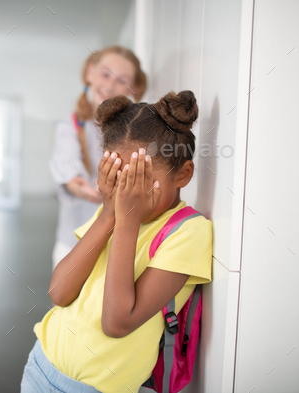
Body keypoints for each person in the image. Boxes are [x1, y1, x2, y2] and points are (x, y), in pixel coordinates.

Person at [22, 91, 213, 392]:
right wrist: (108, 215)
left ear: (183, 174)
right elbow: (59, 292)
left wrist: (126, 220)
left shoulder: (188, 231)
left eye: (140, 180)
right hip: (41, 364)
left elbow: (117, 322)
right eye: (119, 179)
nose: (128, 193)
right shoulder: (109, 213)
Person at [49, 46, 147, 268]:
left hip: (121, 246)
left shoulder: (139, 132)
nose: (110, 86)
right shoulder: (70, 126)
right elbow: (67, 168)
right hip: (73, 242)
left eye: (121, 80)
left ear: (133, 87)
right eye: (105, 74)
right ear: (89, 73)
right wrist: (81, 187)